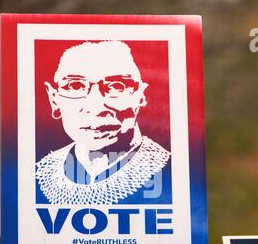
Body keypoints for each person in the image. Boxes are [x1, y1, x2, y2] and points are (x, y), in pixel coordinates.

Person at [36, 40, 170, 205]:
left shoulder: (175, 174)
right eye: (76, 85)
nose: (95, 106)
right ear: (54, 100)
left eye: (117, 86)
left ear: (141, 95)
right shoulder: (35, 176)